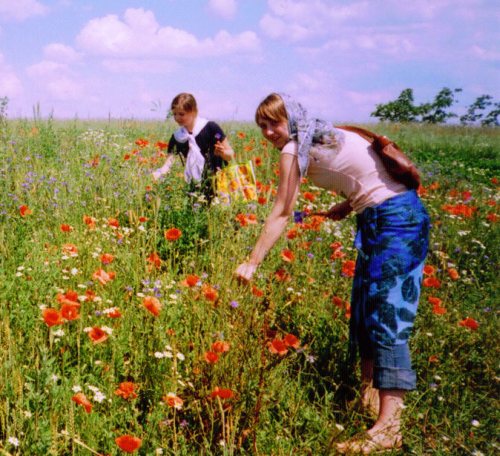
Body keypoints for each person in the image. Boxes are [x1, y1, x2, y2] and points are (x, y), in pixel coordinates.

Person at [234, 93, 430, 454]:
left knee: (388, 316)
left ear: (292, 119)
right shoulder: (325, 134)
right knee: (367, 310)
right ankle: (369, 398)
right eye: (261, 125)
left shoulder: (295, 148)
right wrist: (349, 202)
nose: (267, 132)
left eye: (274, 122)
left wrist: (252, 261)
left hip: (396, 223)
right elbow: (371, 173)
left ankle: (390, 429)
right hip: (383, 217)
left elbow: (281, 212)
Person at [152, 93, 234, 199]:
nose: (177, 118)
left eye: (181, 114)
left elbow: (231, 155)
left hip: (219, 181)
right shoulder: (177, 137)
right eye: (174, 114)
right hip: (195, 185)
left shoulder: (211, 128)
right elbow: (168, 164)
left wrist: (223, 153)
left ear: (193, 112)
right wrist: (157, 174)